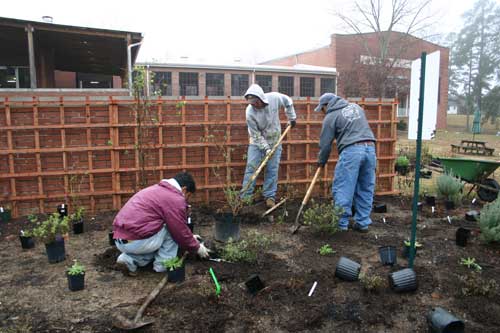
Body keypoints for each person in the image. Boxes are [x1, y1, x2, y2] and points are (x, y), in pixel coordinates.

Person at [113, 172, 210, 276]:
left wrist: (189, 237)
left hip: (121, 240)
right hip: (138, 241)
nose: (186, 199)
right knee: (172, 231)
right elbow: (178, 230)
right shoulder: (174, 198)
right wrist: (197, 248)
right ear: (184, 189)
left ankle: (127, 260)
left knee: (160, 237)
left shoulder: (155, 190)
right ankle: (163, 265)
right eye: (188, 196)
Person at [315, 93, 376, 232]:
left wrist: (321, 161)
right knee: (365, 187)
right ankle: (362, 222)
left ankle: (341, 224)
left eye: (322, 109)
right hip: (371, 149)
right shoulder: (356, 107)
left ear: (327, 105)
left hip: (352, 151)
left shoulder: (331, 116)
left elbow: (325, 144)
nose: (322, 113)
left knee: (343, 187)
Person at [240, 84, 297, 208]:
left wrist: (292, 117)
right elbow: (255, 134)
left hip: (275, 141)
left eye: (255, 102)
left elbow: (288, 101)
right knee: (251, 169)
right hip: (257, 143)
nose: (254, 105)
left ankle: (269, 197)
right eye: (251, 103)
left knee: (272, 169)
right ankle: (245, 198)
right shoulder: (250, 112)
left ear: (261, 98)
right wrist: (266, 148)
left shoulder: (274, 98)